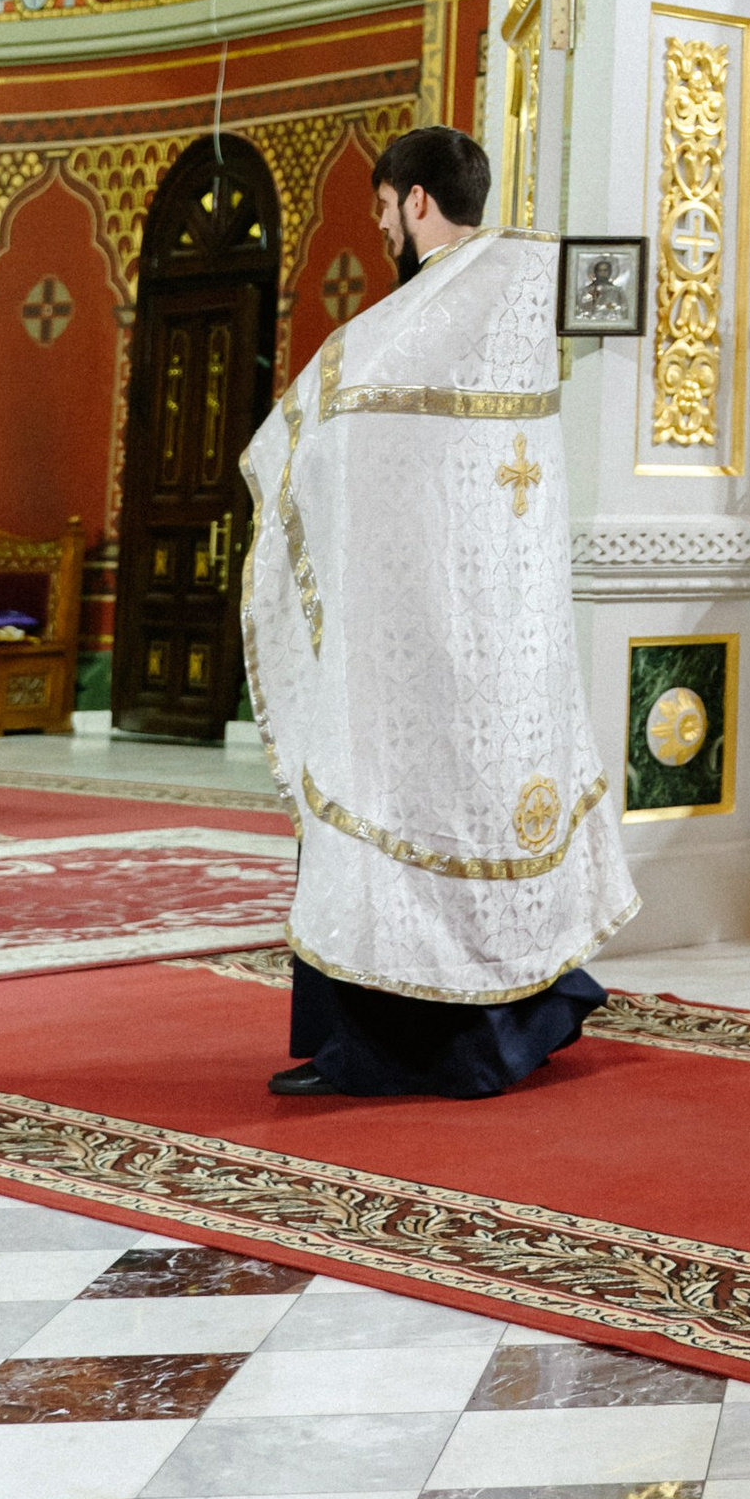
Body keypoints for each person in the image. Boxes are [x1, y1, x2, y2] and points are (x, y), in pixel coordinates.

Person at [243, 127, 634, 1101]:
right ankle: (521, 1015)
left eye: (383, 212)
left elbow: (300, 458)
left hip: (410, 641)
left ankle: (379, 1048)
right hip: (511, 635)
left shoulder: (393, 333)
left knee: (384, 788)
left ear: (417, 202)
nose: (385, 230)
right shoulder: (535, 283)